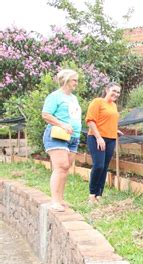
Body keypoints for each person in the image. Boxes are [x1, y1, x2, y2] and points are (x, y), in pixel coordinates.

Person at [41, 69, 81, 211]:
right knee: (61, 166)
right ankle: (55, 201)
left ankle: (61, 199)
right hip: (57, 136)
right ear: (66, 80)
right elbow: (46, 115)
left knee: (65, 168)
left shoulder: (73, 98)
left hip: (73, 137)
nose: (76, 83)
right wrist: (62, 124)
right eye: (74, 80)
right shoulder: (55, 96)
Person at [85, 82, 122, 203]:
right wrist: (99, 137)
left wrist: (114, 130)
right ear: (107, 89)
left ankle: (99, 195)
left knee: (105, 167)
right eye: (114, 91)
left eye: (118, 92)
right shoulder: (98, 102)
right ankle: (92, 194)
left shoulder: (114, 106)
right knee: (98, 165)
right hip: (96, 138)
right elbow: (90, 121)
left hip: (111, 139)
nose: (116, 94)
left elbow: (107, 120)